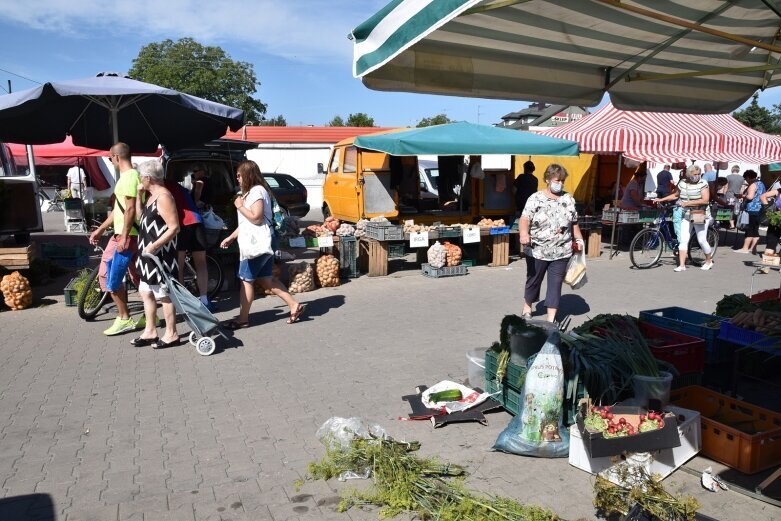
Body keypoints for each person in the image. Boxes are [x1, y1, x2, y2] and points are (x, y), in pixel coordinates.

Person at [219, 160, 306, 329]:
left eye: (239, 175)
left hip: (256, 245)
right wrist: (231, 237)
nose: (237, 178)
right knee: (266, 280)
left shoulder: (257, 191)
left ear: (248, 175)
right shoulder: (251, 192)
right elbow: (247, 223)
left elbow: (256, 218)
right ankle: (294, 305)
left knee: (246, 280)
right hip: (260, 242)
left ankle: (242, 319)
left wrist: (239, 206)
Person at [89, 142, 144, 336]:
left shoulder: (128, 178)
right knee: (138, 276)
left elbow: (129, 209)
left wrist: (124, 236)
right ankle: (150, 315)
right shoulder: (132, 177)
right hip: (129, 235)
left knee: (110, 278)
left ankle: (124, 318)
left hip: (125, 237)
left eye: (110, 157)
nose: (111, 160)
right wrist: (101, 230)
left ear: (116, 157)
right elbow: (119, 210)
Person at [519, 163, 584, 323]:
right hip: (538, 249)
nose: (560, 183)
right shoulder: (535, 198)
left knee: (555, 284)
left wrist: (579, 239)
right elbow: (524, 218)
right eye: (557, 180)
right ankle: (527, 307)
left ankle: (551, 319)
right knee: (534, 280)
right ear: (548, 179)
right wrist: (524, 233)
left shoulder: (568, 199)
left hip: (561, 251)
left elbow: (573, 222)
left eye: (562, 180)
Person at [131, 160, 180, 349]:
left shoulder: (164, 197)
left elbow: (174, 227)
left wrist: (155, 246)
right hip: (147, 255)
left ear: (147, 178)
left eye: (141, 177)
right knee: (146, 291)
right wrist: (138, 195)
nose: (140, 181)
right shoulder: (151, 195)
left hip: (160, 255)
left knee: (164, 294)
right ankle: (150, 331)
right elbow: (139, 217)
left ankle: (172, 334)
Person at [165, 171, 214, 310]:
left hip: (182, 225)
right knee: (201, 263)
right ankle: (204, 300)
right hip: (197, 221)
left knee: (179, 265)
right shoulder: (182, 188)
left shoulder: (163, 187)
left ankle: (184, 301)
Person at [655, 165, 714, 271]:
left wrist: (687, 203)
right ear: (689, 174)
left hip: (699, 213)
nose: (697, 176)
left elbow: (705, 200)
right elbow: (675, 195)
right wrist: (661, 199)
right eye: (694, 174)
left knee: (701, 240)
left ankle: (708, 261)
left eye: (698, 174)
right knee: (683, 239)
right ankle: (682, 265)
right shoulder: (682, 183)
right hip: (686, 214)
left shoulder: (703, 183)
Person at [734, 169, 766, 254]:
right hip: (759, 209)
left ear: (748, 177)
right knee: (755, 229)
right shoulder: (761, 183)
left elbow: (750, 197)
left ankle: (745, 248)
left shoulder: (753, 185)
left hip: (752, 209)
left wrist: (742, 195)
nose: (746, 181)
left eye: (746, 179)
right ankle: (753, 248)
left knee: (750, 229)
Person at [760, 186, 781, 258]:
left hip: (776, 218)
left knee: (771, 240)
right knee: (772, 240)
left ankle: (767, 264)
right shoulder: (778, 191)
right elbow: (763, 196)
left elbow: (763, 196)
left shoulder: (778, 191)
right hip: (776, 219)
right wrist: (768, 209)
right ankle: (768, 261)